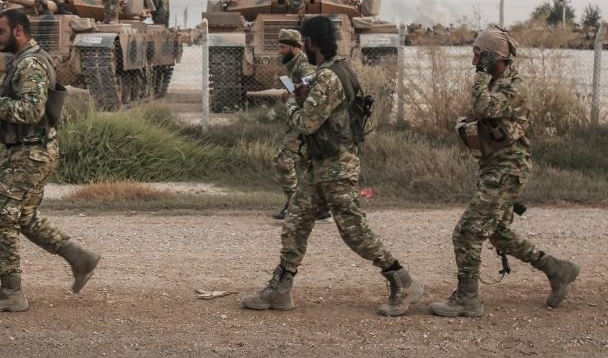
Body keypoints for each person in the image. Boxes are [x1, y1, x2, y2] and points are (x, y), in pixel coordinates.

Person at [241, 16, 423, 317]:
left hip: (337, 166)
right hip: (323, 163)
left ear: (310, 43)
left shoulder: (327, 77)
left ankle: (403, 281)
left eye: (304, 42)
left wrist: (290, 102)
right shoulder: (339, 69)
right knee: (296, 223)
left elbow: (306, 123)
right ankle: (280, 290)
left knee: (354, 231)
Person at [430, 26, 579, 317]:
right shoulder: (499, 82)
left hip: (507, 171)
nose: (474, 63)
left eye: (479, 57)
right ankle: (556, 269)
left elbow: (481, 105)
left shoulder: (513, 86)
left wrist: (481, 76)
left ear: (494, 58)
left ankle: (467, 299)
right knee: (497, 233)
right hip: (496, 168)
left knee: (467, 232)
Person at [0, 8, 100, 312]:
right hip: (30, 151)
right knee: (22, 216)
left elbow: (31, 111)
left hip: (31, 153)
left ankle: (11, 292)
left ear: (18, 31)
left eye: (0, 31)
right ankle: (80, 258)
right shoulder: (25, 60)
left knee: (0, 217)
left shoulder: (30, 64)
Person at [271, 29, 330, 223]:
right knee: (308, 165)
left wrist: (290, 97)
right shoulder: (294, 65)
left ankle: (294, 205)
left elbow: (311, 94)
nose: (280, 51)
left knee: (283, 161)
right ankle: (319, 208)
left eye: (283, 47)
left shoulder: (305, 67)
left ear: (295, 48)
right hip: (303, 120)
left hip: (306, 122)